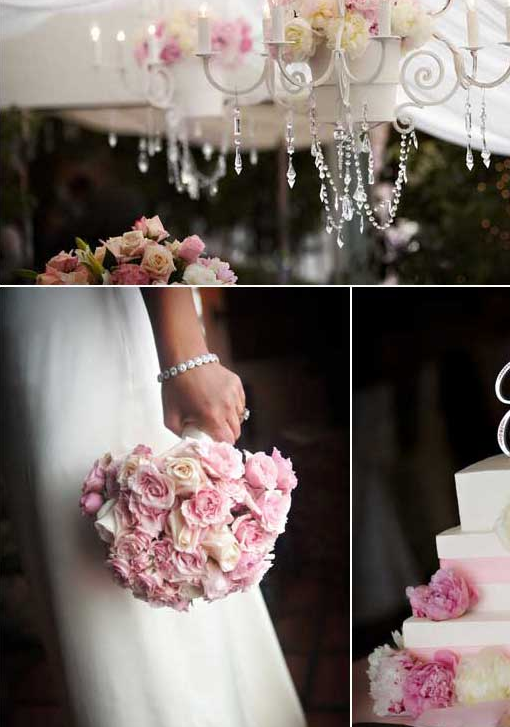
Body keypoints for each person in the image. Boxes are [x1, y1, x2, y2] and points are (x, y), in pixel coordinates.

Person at [0, 287, 306, 727]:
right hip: (31, 325)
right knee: (85, 606)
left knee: (186, 621)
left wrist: (189, 356)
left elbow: (142, 226)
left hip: (99, 315)